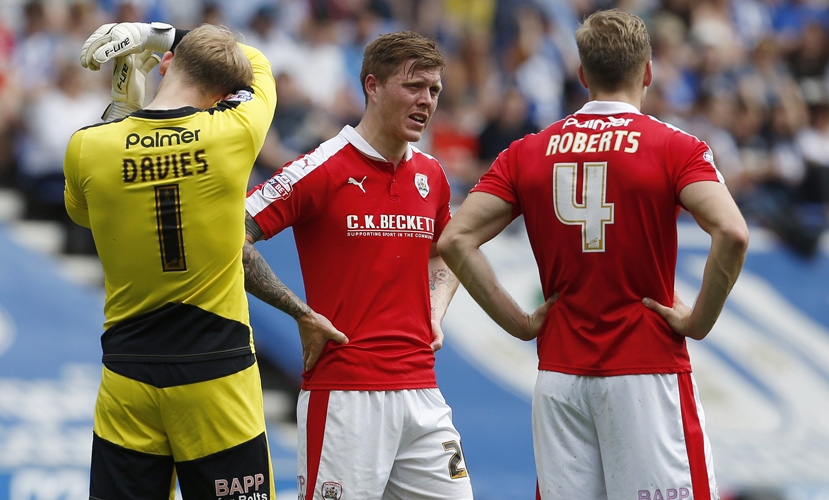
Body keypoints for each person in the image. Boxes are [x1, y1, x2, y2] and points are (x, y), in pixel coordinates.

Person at [438, 9, 749, 500]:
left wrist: (519, 322)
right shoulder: (675, 147)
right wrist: (699, 322)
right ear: (647, 72)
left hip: (560, 376)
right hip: (646, 369)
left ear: (583, 75)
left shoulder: (527, 151)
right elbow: (732, 232)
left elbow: (455, 239)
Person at [243, 31, 475, 500]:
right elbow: (231, 236)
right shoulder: (320, 167)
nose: (426, 101)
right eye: (413, 86)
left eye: (434, 90)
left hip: (422, 392)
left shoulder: (432, 175)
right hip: (344, 393)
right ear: (372, 85)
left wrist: (434, 307)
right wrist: (300, 312)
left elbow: (449, 250)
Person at [63, 21, 277, 499]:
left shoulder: (88, 146)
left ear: (165, 67)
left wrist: (121, 111)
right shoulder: (235, 130)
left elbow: (82, 215)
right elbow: (258, 63)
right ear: (226, 91)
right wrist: (157, 32)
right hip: (217, 369)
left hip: (128, 370)